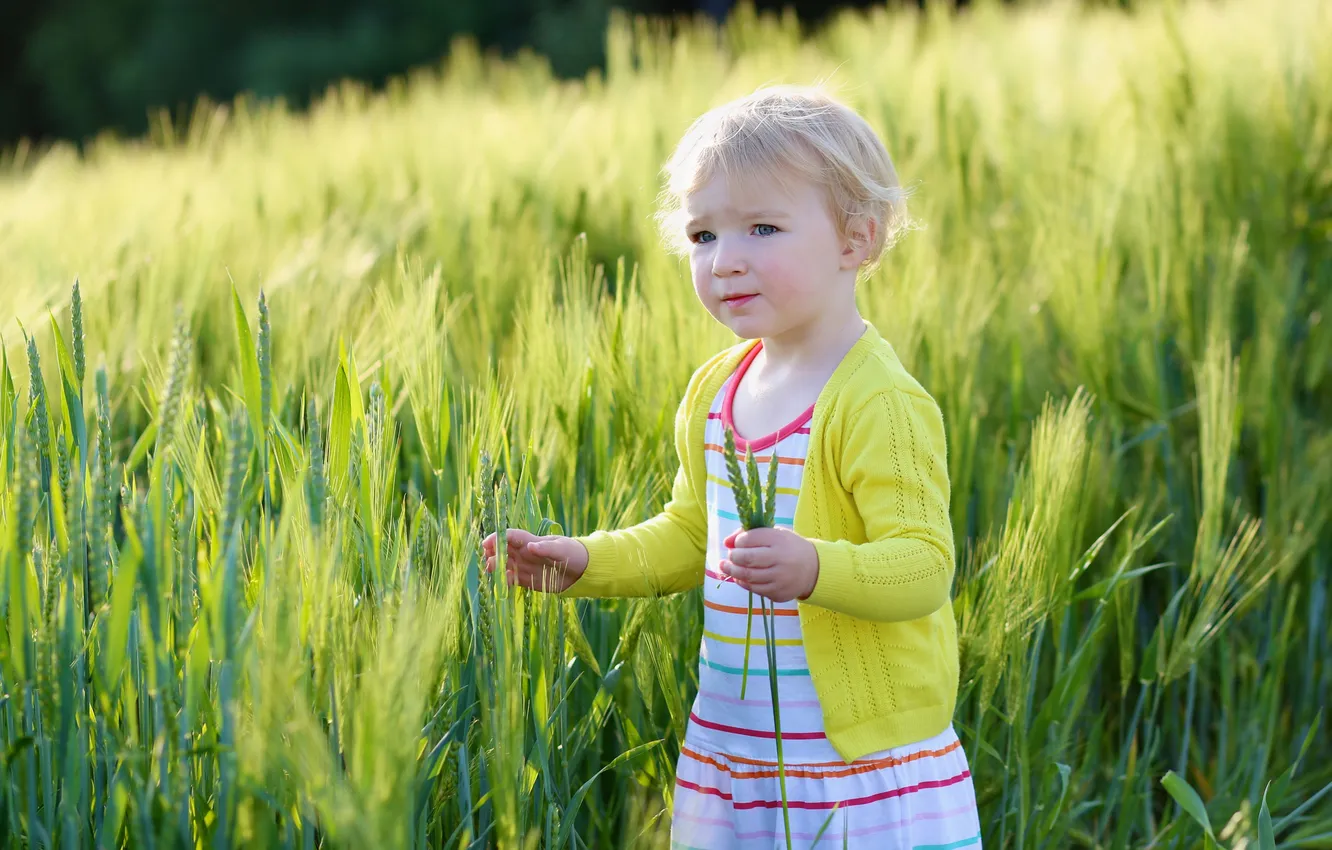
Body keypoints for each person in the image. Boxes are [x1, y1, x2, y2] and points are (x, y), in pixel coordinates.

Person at [483, 84, 981, 849]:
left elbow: (923, 567)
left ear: (857, 240)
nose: (725, 261)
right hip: (736, 753)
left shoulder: (877, 402)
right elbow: (693, 536)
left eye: (762, 228)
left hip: (850, 769)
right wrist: (586, 561)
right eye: (703, 235)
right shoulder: (716, 391)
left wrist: (814, 567)